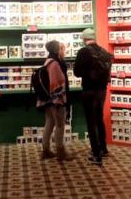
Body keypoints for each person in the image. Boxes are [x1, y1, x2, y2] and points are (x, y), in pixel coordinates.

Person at [73, 28, 112, 166]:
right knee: (99, 119)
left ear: (84, 39)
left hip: (89, 90)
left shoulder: (84, 52)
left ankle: (96, 154)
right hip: (102, 90)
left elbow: (76, 72)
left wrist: (85, 72)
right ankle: (103, 148)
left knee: (91, 122)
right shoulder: (103, 52)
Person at [39, 40, 69, 160]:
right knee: (60, 125)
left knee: (49, 123)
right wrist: (60, 100)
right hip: (56, 100)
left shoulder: (47, 61)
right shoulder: (55, 63)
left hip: (47, 99)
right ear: (56, 49)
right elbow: (58, 83)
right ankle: (61, 152)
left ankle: (45, 150)